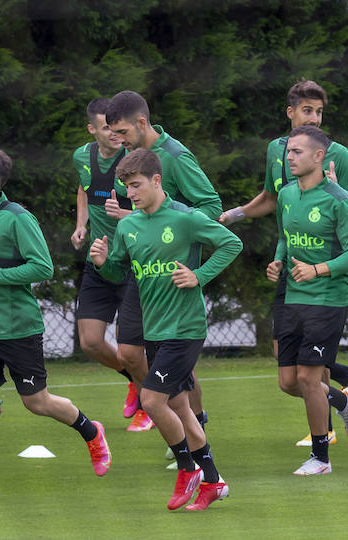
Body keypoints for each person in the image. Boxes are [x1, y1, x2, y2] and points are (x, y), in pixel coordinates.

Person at [0, 144, 112, 505]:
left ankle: (91, 431)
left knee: (37, 402)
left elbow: (43, 267)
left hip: (18, 329)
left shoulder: (18, 218)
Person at [90, 148, 241, 511]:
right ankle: (214, 482)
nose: (131, 193)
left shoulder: (185, 218)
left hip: (184, 328)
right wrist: (100, 263)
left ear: (157, 181)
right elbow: (117, 272)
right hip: (154, 330)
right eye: (126, 186)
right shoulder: (127, 226)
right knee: (181, 408)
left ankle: (187, 468)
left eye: (137, 185)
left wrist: (198, 275)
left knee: (151, 400)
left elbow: (230, 243)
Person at [219, 80, 348, 447]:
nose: (314, 118)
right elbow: (275, 199)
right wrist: (236, 215)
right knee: (287, 376)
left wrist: (336, 191)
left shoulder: (337, 155)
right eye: (307, 111)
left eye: (319, 112)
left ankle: (323, 440)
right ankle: (344, 391)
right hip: (291, 268)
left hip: (325, 276)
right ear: (290, 113)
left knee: (306, 375)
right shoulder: (277, 151)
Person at [103, 90, 223, 458]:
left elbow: (212, 205)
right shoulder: (133, 159)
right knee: (129, 351)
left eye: (122, 132)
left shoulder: (175, 156)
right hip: (144, 270)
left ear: (141, 122)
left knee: (175, 360)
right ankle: (178, 421)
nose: (118, 140)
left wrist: (156, 221)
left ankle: (192, 428)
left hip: (174, 274)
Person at [264, 126, 348, 476]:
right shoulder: (287, 195)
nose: (289, 157)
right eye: (288, 151)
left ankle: (320, 459)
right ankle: (343, 399)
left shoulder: (339, 200)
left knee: (309, 378)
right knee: (288, 382)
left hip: (326, 300)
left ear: (320, 157)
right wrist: (279, 259)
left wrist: (318, 269)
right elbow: (284, 237)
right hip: (292, 297)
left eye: (297, 151)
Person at [69, 97, 149, 429]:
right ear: (92, 130)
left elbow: (158, 208)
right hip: (101, 258)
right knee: (89, 340)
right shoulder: (81, 156)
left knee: (132, 346)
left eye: (118, 128)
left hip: (133, 260)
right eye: (106, 128)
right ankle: (132, 378)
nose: (115, 134)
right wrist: (81, 225)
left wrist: (126, 214)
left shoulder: (134, 158)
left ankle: (148, 404)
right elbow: (84, 189)